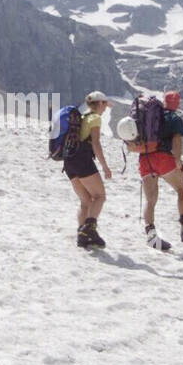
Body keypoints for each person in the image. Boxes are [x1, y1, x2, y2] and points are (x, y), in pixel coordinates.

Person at [140, 90, 183, 250]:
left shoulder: (152, 116)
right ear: (177, 103)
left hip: (145, 158)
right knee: (181, 189)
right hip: (163, 159)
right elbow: (176, 140)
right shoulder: (175, 118)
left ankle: (151, 236)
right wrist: (178, 161)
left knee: (150, 199)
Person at [64, 91, 112, 248]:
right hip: (82, 160)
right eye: (104, 103)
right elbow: (96, 143)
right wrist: (105, 167)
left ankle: (82, 235)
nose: (105, 107)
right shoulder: (95, 118)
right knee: (100, 196)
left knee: (86, 200)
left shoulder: (82, 117)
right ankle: (89, 229)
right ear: (99, 104)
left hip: (69, 162)